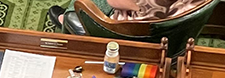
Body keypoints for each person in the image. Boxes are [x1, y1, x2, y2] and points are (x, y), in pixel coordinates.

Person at [49, 0, 206, 34]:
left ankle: (68, 19)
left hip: (135, 31)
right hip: (181, 29)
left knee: (79, 7)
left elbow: (115, 2)